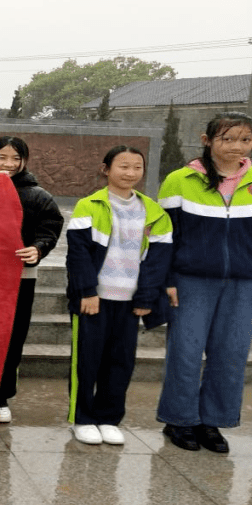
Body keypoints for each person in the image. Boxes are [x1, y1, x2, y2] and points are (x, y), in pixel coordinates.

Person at [156, 112, 252, 453]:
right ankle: (179, 420)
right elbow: (164, 236)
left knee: (230, 354)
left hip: (243, 284)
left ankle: (211, 421)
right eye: (227, 139)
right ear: (207, 140)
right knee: (185, 352)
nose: (236, 147)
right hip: (190, 280)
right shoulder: (180, 180)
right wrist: (166, 279)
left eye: (244, 139)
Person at [65, 146, 172, 445]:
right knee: (87, 361)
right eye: (123, 166)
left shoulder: (155, 212)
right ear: (106, 169)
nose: (130, 173)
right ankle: (82, 418)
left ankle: (109, 417)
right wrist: (86, 291)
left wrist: (146, 298)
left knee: (121, 361)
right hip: (94, 300)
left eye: (137, 167)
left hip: (129, 301)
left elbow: (158, 261)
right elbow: (78, 255)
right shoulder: (90, 205)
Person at [0, 136, 63, 423]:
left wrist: (39, 248)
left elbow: (50, 228)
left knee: (11, 337)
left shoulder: (38, 195)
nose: (9, 164)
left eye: (15, 159)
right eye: (2, 157)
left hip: (19, 278)